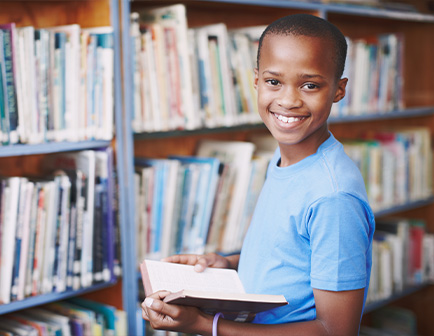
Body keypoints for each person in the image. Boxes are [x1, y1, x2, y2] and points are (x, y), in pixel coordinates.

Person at [142, 13, 375, 336]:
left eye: (310, 85)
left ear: (338, 89)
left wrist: (206, 325)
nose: (288, 100)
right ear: (256, 80)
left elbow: (335, 330)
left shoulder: (333, 198)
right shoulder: (284, 160)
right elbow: (292, 254)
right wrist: (228, 263)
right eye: (273, 82)